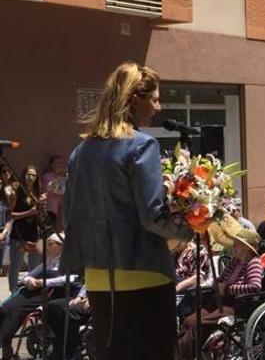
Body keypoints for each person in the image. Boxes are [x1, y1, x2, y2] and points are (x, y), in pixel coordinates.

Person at [62, 62, 193, 360]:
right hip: (144, 275)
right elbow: (153, 216)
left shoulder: (79, 152)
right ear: (135, 99)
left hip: (96, 279)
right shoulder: (142, 146)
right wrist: (191, 228)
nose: (158, 107)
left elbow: (68, 217)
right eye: (155, 99)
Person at [177, 228, 264, 359]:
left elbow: (255, 287)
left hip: (237, 304)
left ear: (247, 247)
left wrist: (228, 288)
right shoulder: (235, 261)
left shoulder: (254, 263)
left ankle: (181, 356)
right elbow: (221, 278)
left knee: (200, 324)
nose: (234, 247)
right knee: (190, 321)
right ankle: (176, 351)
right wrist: (216, 283)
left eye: (238, 244)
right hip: (220, 300)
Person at [0, 233, 73, 358]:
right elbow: (28, 275)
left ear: (60, 246)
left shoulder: (67, 262)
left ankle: (5, 341)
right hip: (32, 291)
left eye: (51, 244)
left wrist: (44, 282)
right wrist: (30, 281)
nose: (48, 248)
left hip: (51, 293)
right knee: (6, 307)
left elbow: (70, 279)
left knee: (15, 309)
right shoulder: (47, 262)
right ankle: (6, 343)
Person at [8, 165, 43, 292]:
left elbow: (38, 214)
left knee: (34, 265)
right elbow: (11, 214)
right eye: (29, 174)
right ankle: (13, 291)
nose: (31, 177)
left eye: (34, 175)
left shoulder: (37, 191)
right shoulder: (16, 190)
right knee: (16, 265)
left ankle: (30, 290)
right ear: (24, 175)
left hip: (33, 233)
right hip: (19, 233)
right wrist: (30, 212)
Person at [46, 286, 90, 360]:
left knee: (68, 312)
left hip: (102, 297)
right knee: (53, 307)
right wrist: (80, 296)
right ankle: (59, 351)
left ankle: (69, 352)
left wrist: (91, 299)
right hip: (86, 295)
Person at [41, 155, 67, 230]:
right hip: (51, 210)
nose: (61, 165)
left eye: (62, 163)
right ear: (52, 165)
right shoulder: (47, 176)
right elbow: (51, 189)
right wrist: (60, 177)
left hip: (62, 211)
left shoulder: (65, 177)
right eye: (58, 163)